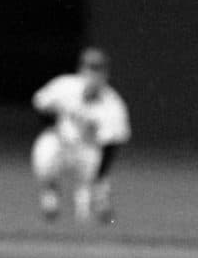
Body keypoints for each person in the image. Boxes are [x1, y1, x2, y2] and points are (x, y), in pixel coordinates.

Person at [30, 47, 132, 224]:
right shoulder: (64, 86)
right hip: (61, 143)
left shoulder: (113, 104)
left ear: (106, 73)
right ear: (81, 68)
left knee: (89, 211)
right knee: (45, 147)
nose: (93, 73)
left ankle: (95, 203)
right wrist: (54, 124)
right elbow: (40, 104)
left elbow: (112, 146)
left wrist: (101, 177)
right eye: (90, 67)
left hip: (87, 152)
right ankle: (50, 197)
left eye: (98, 68)